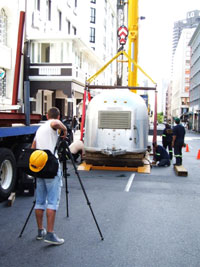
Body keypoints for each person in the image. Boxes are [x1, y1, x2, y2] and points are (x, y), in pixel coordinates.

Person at [31, 107, 67, 245]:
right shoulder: (53, 124)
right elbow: (56, 124)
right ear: (58, 116)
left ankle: (41, 231)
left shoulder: (40, 128)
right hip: (51, 167)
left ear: (46, 115)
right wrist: (64, 130)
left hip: (39, 167)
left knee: (40, 200)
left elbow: (33, 146)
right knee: (52, 201)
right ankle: (50, 234)